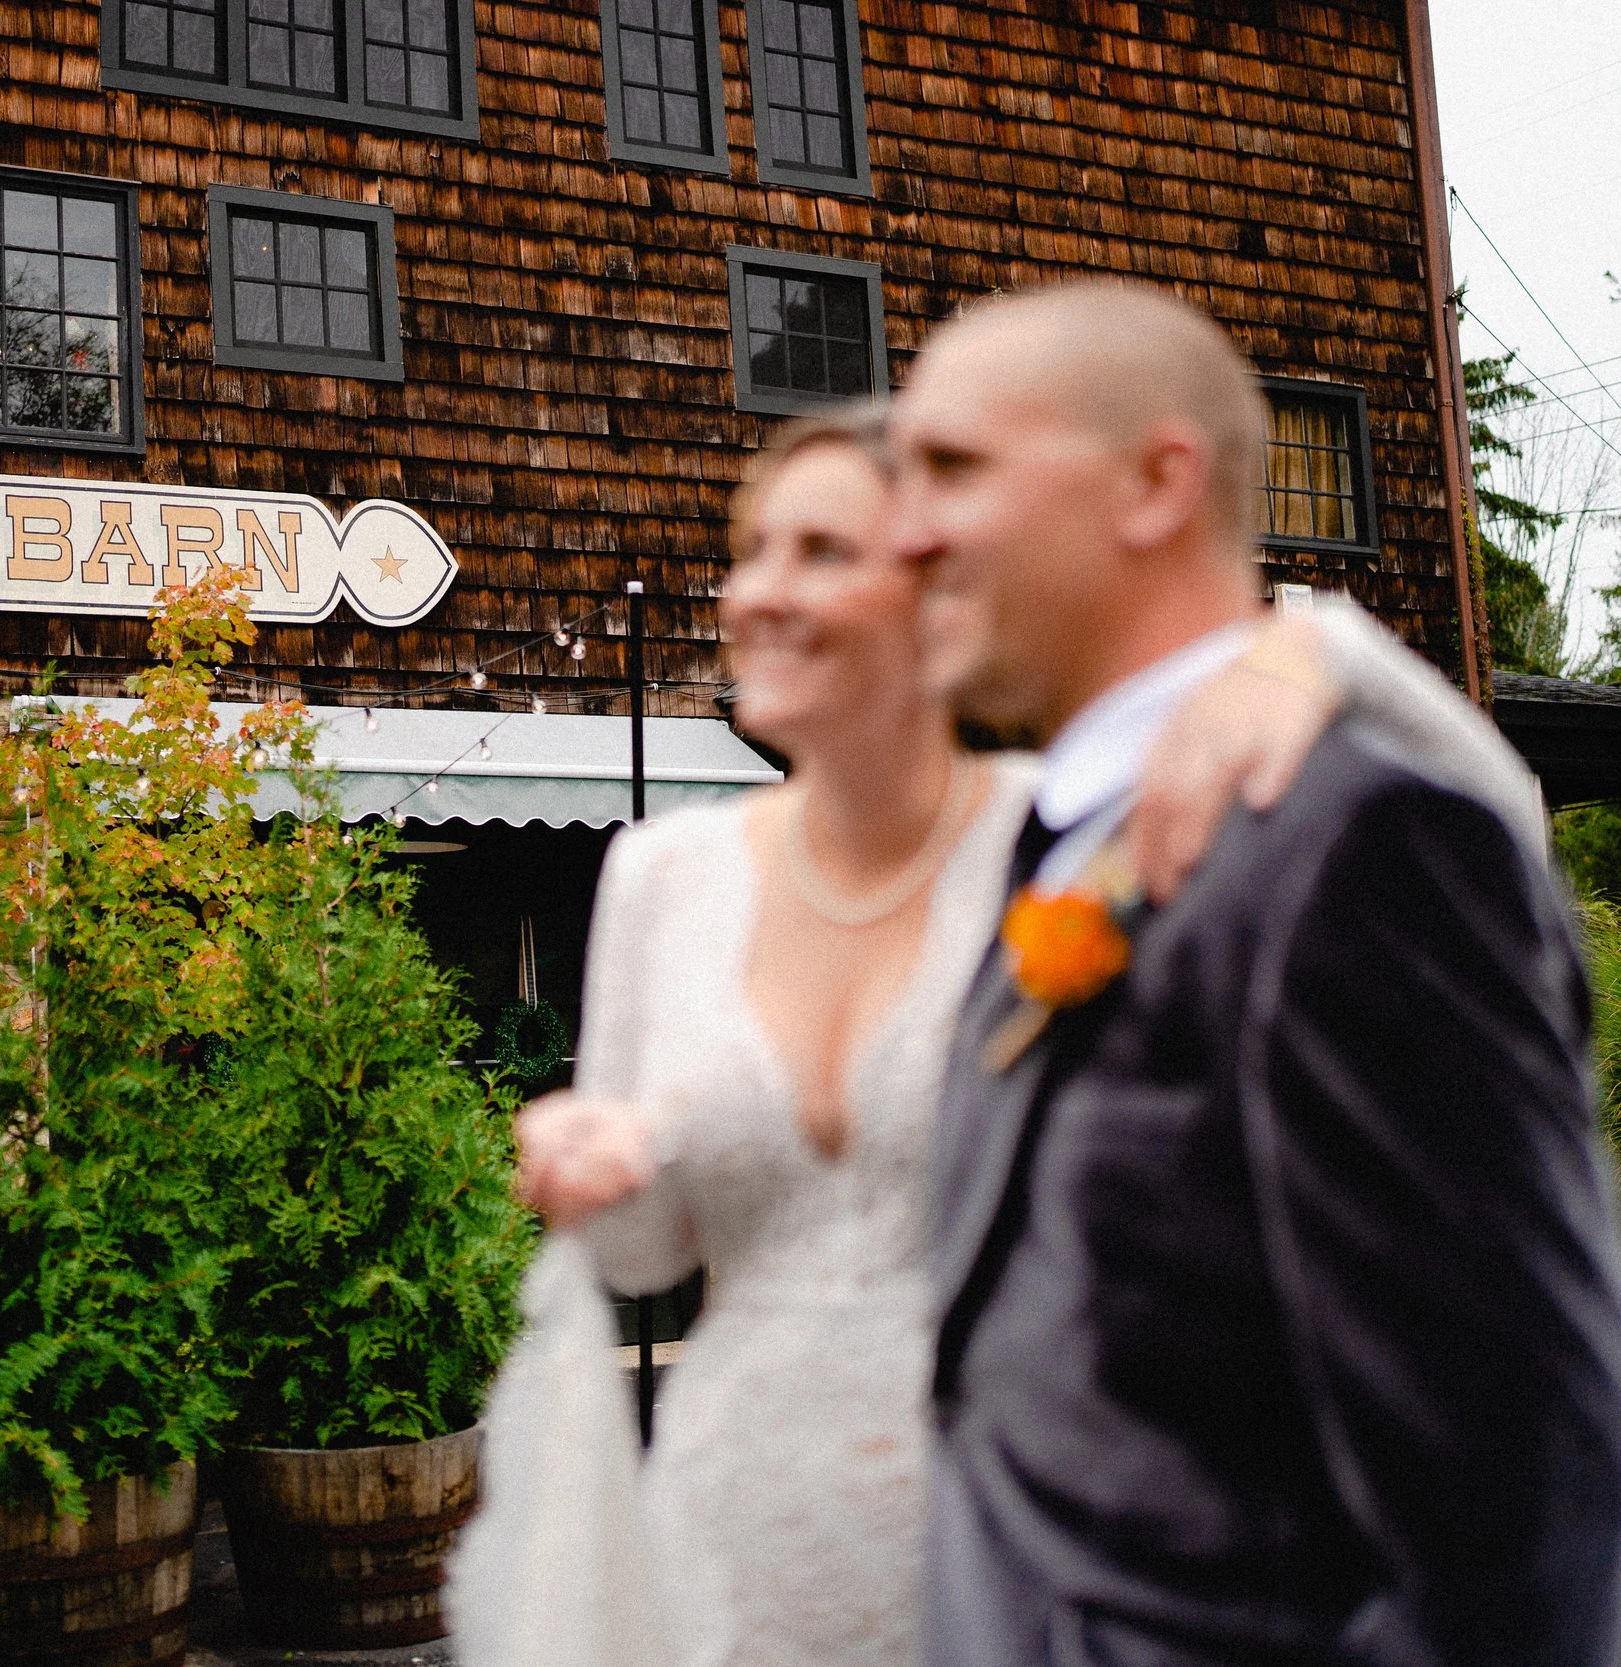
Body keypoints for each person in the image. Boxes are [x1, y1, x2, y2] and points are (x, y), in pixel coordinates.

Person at [447, 378, 1546, 1667]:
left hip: (1039, 1549)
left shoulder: (1067, 839)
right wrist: (601, 1168)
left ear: (939, 597)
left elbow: (1500, 836)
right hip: (734, 1539)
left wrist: (1318, 656)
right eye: (751, 552)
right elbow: (644, 1264)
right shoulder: (659, 876)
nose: (757, 594)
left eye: (822, 552)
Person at [895, 281, 1621, 1667]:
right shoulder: (1060, 845)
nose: (907, 528)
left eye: (955, 466)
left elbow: (1518, 1513)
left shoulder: (1366, 854)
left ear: (1159, 479)